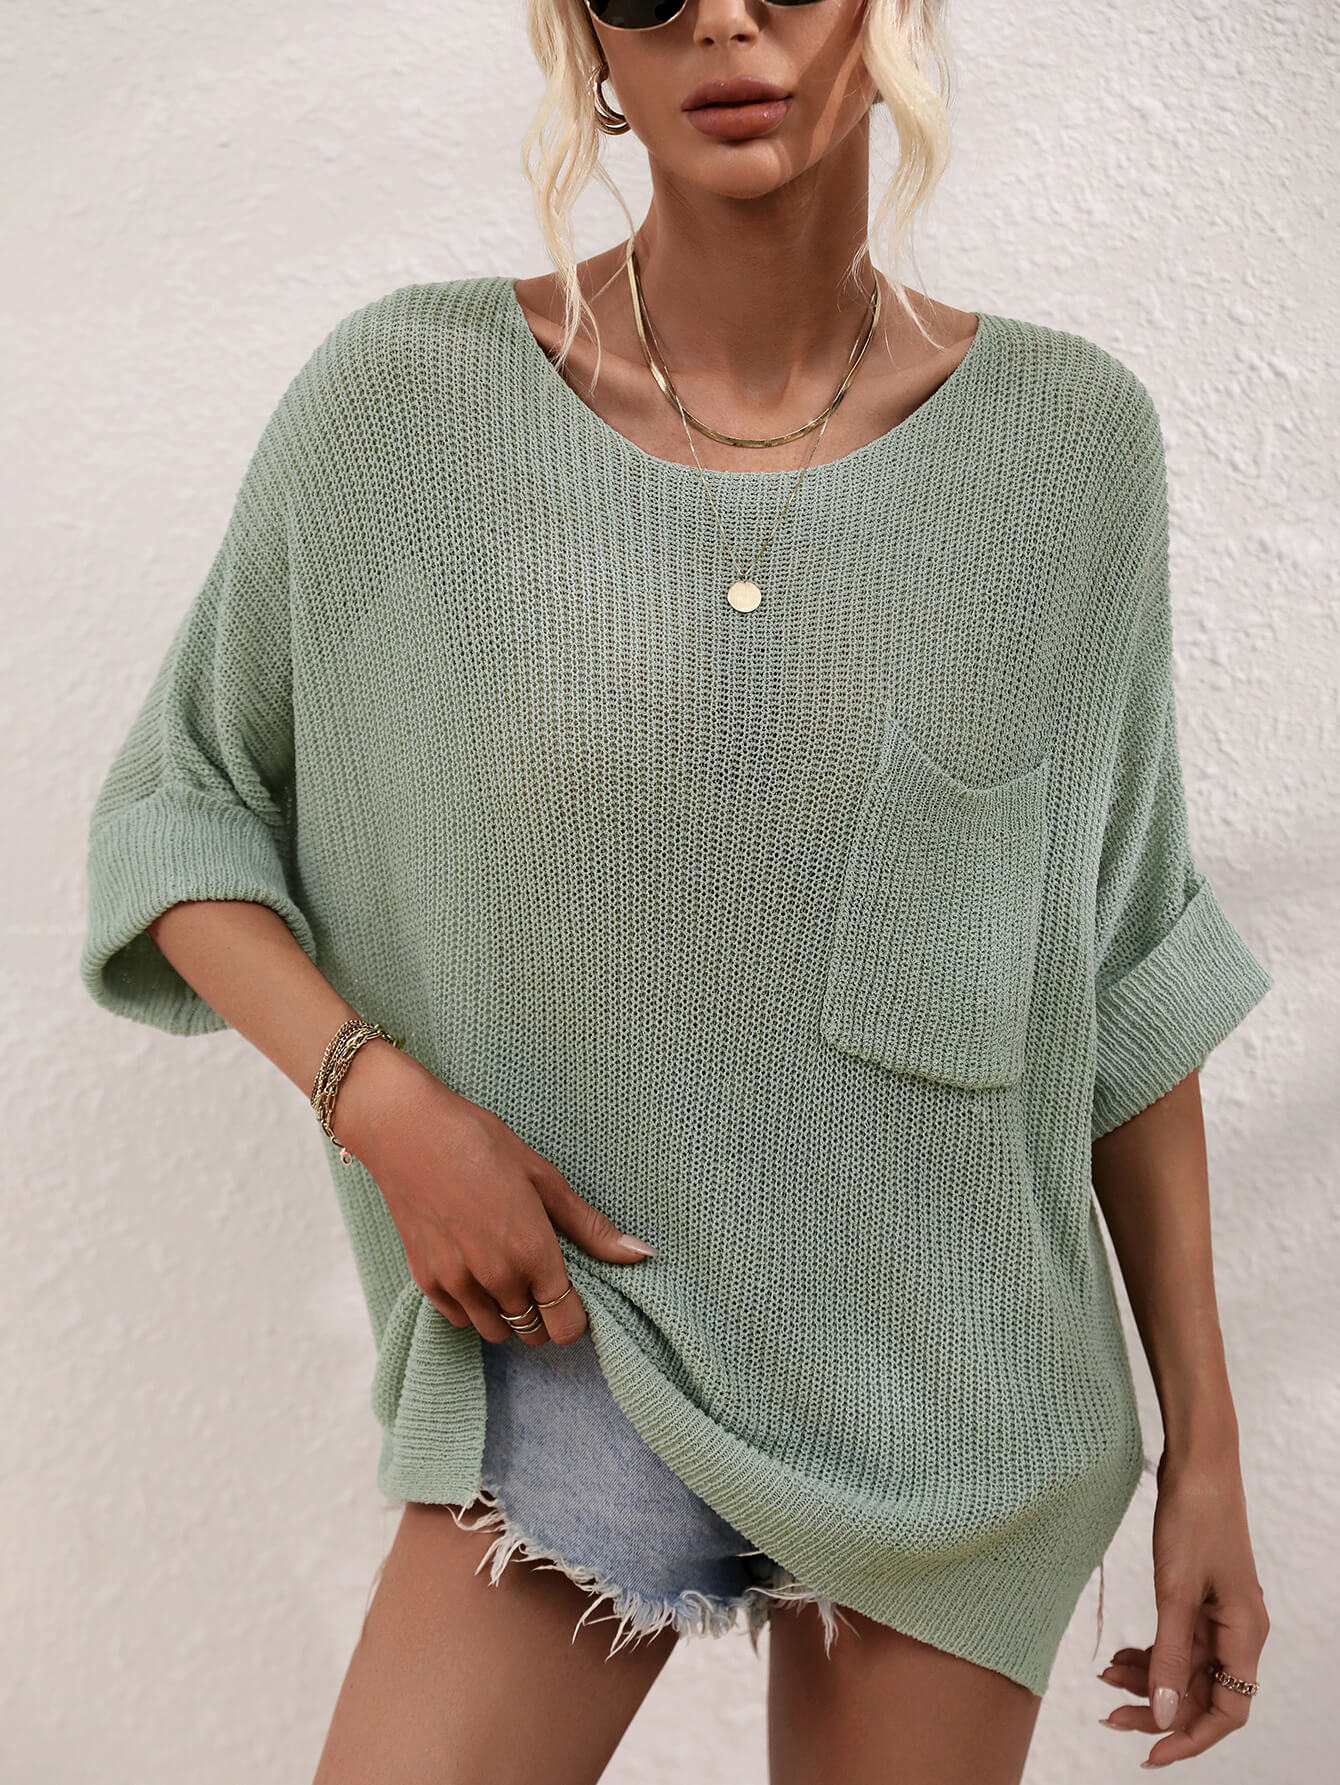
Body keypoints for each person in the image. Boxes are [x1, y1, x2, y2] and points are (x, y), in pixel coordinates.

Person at [78, 3, 1275, 1781]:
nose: (722, 17)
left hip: (955, 1392)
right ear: (589, 48)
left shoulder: (1069, 447)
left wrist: (1207, 1458)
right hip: (580, 1330)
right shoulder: (403, 407)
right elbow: (182, 813)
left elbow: (1120, 969)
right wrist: (383, 1105)